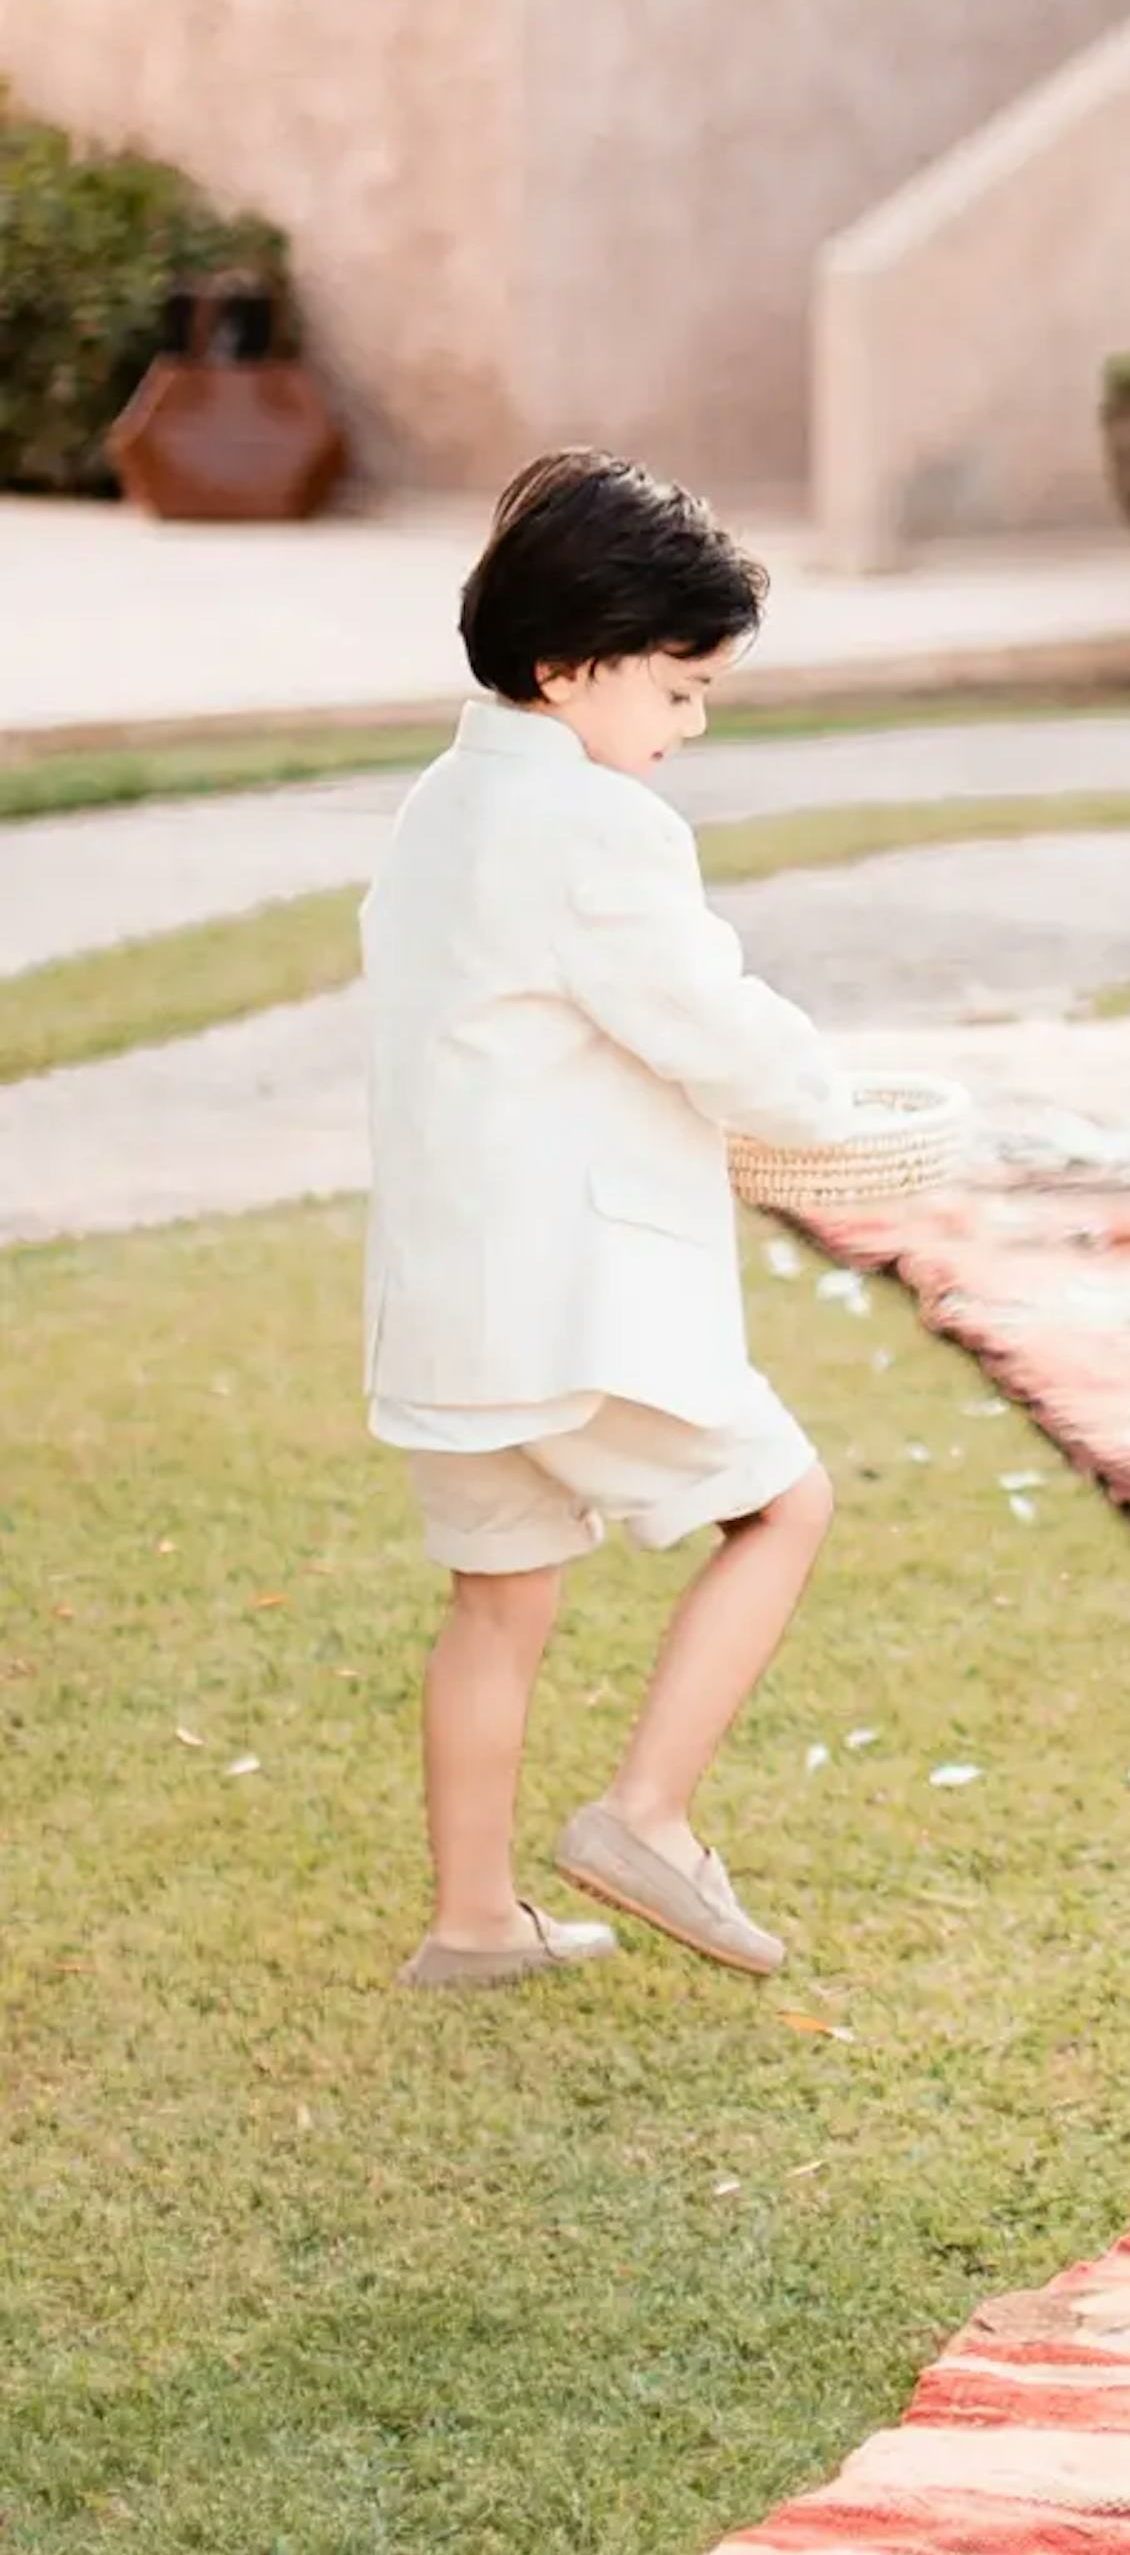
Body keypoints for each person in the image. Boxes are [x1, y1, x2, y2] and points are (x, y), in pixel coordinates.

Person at [361, 450, 869, 1993]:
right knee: (784, 1506)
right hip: (576, 1316)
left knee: (499, 1603)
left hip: (450, 1320)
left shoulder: (444, 808)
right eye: (678, 690)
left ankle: (471, 1924)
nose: (689, 726)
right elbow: (704, 1021)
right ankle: (647, 1815)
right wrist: (835, 1108)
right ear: (569, 667)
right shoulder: (595, 829)